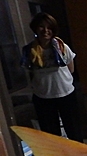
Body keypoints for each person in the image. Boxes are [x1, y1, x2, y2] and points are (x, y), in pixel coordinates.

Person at [21, 12, 83, 142]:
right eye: (41, 27)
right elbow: (29, 72)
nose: (45, 31)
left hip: (66, 94)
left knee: (74, 131)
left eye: (49, 28)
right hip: (43, 97)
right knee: (51, 136)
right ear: (35, 28)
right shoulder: (28, 51)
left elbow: (71, 69)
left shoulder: (62, 47)